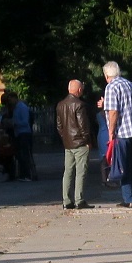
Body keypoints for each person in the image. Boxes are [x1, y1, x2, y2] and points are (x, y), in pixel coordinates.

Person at [102, 61, 132, 208]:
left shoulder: (111, 87)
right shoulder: (129, 84)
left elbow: (114, 112)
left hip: (122, 132)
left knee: (122, 165)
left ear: (107, 75)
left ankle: (129, 199)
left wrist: (111, 133)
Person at [56, 79, 96, 209]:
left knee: (67, 172)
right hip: (80, 143)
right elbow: (83, 125)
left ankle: (66, 200)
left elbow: (59, 126)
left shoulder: (60, 105)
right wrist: (88, 141)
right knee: (80, 172)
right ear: (79, 90)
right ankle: (79, 199)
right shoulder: (79, 105)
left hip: (68, 144)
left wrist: (65, 138)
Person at [2, 90, 37, 181]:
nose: (9, 102)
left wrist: (14, 123)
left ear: (15, 98)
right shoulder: (16, 108)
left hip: (24, 133)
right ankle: (22, 174)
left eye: (10, 99)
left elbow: (25, 122)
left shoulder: (22, 107)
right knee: (20, 155)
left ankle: (27, 175)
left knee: (24, 154)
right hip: (18, 133)